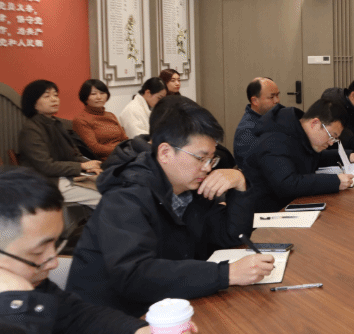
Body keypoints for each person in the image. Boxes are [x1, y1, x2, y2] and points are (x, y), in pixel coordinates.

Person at [66, 96, 273, 317]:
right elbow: (134, 275)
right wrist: (227, 273)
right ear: (165, 153)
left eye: (211, 160)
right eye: (200, 158)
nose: (207, 168)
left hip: (169, 308)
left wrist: (239, 185)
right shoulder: (127, 195)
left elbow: (229, 236)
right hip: (112, 319)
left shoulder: (189, 186)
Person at [0, 168, 188, 334]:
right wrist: (14, 309)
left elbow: (77, 318)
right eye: (38, 252)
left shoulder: (33, 283)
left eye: (56, 243)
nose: (53, 262)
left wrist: (137, 333)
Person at [247, 98, 354, 212]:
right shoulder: (274, 139)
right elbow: (287, 184)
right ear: (314, 123)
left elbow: (316, 158)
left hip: (292, 204)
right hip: (268, 214)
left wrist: (348, 156)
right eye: (331, 136)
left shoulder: (299, 132)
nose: (331, 142)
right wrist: (335, 181)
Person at [17, 80, 103, 207]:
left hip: (63, 177)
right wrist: (82, 166)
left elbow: (73, 154)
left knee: (111, 188)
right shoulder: (31, 130)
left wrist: (91, 165)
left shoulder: (55, 123)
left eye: (56, 95)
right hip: (44, 182)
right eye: (47, 96)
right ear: (33, 103)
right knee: (104, 197)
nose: (54, 99)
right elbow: (46, 166)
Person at [234, 77, 280, 178]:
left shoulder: (273, 117)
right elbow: (255, 171)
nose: (277, 100)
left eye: (277, 95)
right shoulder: (247, 132)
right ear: (255, 101)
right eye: (271, 97)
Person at [72, 79, 128, 160]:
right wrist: (121, 150)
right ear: (85, 97)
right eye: (93, 94)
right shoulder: (81, 120)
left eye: (102, 93)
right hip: (106, 160)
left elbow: (124, 139)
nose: (99, 97)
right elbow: (95, 149)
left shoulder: (111, 115)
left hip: (124, 154)